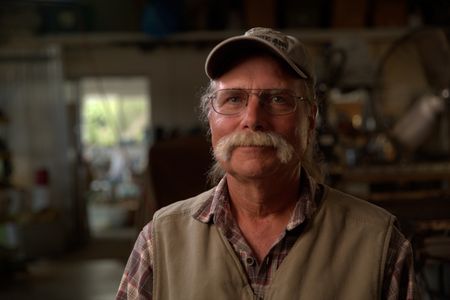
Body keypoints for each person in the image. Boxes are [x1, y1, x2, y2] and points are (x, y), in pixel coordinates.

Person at [116, 27, 417, 299]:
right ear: (210, 120)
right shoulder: (160, 242)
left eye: (277, 99)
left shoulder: (380, 244)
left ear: (310, 121)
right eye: (233, 99)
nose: (252, 120)